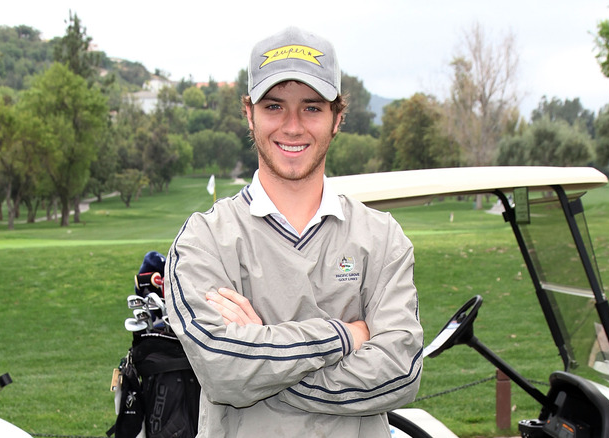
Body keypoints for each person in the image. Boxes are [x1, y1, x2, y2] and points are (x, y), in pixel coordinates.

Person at [164, 26, 423, 437]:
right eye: (274, 107)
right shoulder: (203, 240)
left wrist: (262, 367)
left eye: (312, 108)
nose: (292, 126)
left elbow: (400, 371)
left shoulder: (382, 238)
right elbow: (223, 368)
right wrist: (348, 335)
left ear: (338, 118)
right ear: (249, 114)